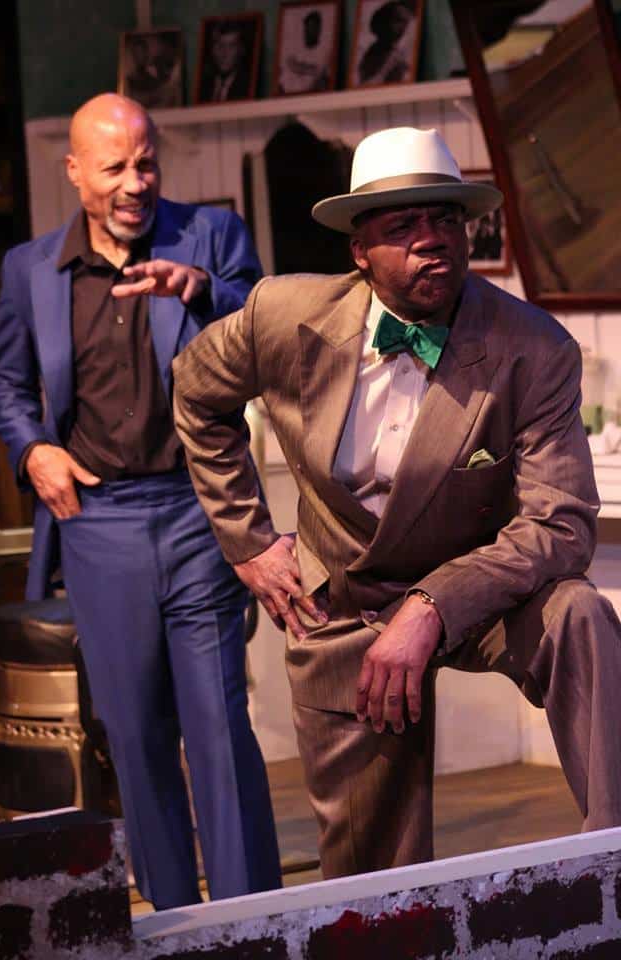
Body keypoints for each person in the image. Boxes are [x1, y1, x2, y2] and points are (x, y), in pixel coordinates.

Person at [172, 125, 621, 880]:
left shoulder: (532, 348)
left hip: (479, 595)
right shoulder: (283, 313)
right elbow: (194, 393)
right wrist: (247, 539)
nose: (432, 239)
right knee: (372, 880)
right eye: (404, 224)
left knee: (579, 613)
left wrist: (432, 606)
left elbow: (561, 522)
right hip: (343, 605)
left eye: (446, 218)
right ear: (360, 249)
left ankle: (612, 856)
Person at [0, 93, 281, 910]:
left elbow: (268, 329)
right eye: (114, 166)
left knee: (217, 724)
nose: (134, 182)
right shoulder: (30, 270)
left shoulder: (210, 238)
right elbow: (6, 383)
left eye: (145, 163)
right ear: (75, 172)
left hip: (197, 510)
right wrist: (32, 449)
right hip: (97, 521)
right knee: (135, 733)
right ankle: (174, 920)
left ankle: (251, 917)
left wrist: (200, 290)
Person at [357, 0, 417, 86]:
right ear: (384, 21)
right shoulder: (373, 53)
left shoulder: (398, 55)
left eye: (406, 22)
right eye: (398, 20)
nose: (403, 28)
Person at [278, 10, 330, 94]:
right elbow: (281, 75)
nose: (309, 31)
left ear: (319, 30)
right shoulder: (294, 49)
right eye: (307, 27)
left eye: (313, 28)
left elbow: (325, 80)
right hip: (286, 95)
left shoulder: (324, 52)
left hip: (311, 96)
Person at [198, 21, 251, 103]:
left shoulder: (248, 86)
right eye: (220, 45)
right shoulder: (202, 86)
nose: (224, 54)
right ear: (212, 50)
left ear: (241, 50)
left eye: (231, 46)